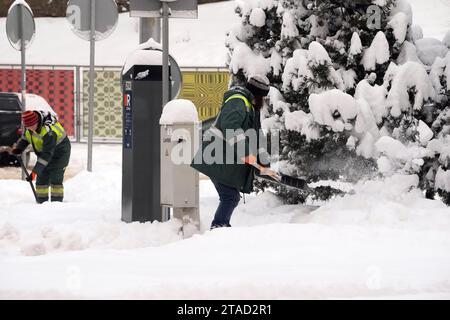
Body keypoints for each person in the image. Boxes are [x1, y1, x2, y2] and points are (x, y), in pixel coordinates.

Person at [191, 75, 278, 230]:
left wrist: (264, 164)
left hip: (224, 158)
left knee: (231, 197)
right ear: (258, 94)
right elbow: (230, 127)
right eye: (263, 97)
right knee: (230, 197)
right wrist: (246, 154)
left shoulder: (251, 106)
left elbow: (256, 136)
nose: (264, 101)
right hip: (216, 156)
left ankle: (220, 226)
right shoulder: (238, 101)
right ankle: (219, 227)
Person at [11, 110, 71, 204]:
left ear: (37, 122)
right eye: (28, 126)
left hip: (60, 153)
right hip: (45, 152)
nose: (30, 128)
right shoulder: (29, 127)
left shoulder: (49, 132)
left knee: (55, 178)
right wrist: (19, 148)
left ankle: (57, 205)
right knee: (42, 178)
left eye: (31, 126)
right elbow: (25, 138)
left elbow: (47, 154)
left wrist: (34, 172)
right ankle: (41, 203)